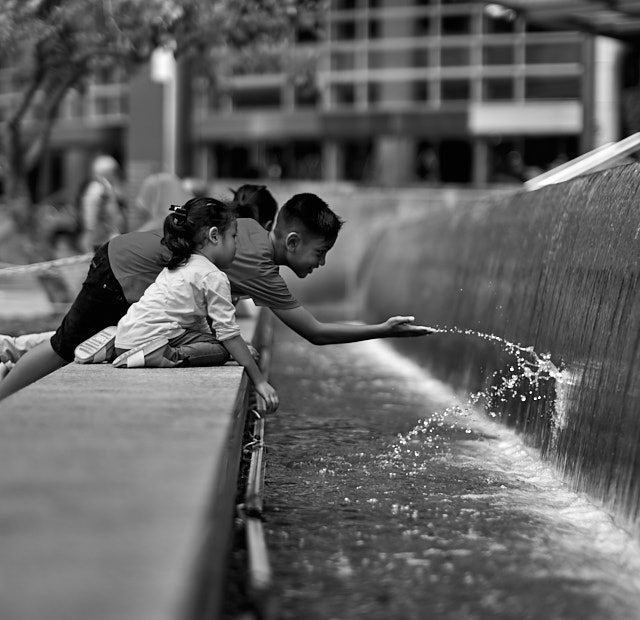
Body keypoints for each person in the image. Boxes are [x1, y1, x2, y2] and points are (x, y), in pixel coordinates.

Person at [0, 192, 434, 402]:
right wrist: (383, 330)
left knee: (82, 340)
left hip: (124, 260)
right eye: (321, 253)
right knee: (64, 347)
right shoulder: (261, 267)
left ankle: (10, 352)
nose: (320, 264)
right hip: (123, 271)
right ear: (295, 241)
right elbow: (315, 333)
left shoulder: (248, 233)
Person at [112, 197, 278, 412]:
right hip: (152, 338)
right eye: (234, 236)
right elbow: (227, 334)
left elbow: (200, 327)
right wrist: (259, 381)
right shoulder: (213, 275)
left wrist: (241, 349)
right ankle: (168, 355)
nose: (237, 244)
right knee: (221, 350)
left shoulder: (180, 264)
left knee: (223, 344)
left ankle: (110, 345)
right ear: (215, 236)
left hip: (126, 336)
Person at [79, 155, 127, 251]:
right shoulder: (97, 187)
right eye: (113, 171)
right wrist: (90, 229)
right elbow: (90, 209)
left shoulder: (106, 186)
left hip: (107, 230)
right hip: (102, 231)